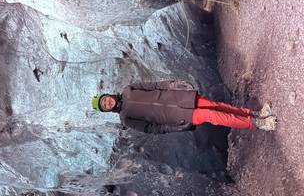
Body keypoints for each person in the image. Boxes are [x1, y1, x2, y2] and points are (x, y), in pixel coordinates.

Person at [91, 80, 277, 133]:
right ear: (107, 110)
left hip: (180, 98)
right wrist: (174, 128)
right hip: (176, 117)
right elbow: (151, 128)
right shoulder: (125, 118)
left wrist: (174, 84)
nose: (107, 103)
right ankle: (257, 124)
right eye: (105, 106)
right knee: (213, 117)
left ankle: (255, 113)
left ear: (107, 95)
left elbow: (156, 85)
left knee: (216, 106)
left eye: (105, 99)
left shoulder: (128, 89)